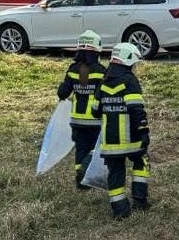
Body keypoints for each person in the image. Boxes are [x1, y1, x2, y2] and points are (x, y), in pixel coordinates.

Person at [99, 43, 150, 218]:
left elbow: (94, 110)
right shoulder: (129, 80)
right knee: (141, 161)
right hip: (132, 139)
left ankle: (120, 210)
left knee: (115, 174)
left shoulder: (103, 81)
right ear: (128, 60)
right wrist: (144, 130)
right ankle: (140, 200)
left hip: (110, 142)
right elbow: (136, 109)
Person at [57, 30, 106, 190]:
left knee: (80, 149)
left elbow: (63, 93)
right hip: (95, 119)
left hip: (76, 119)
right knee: (93, 149)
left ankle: (80, 181)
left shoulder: (73, 69)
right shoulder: (101, 71)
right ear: (97, 50)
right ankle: (89, 175)